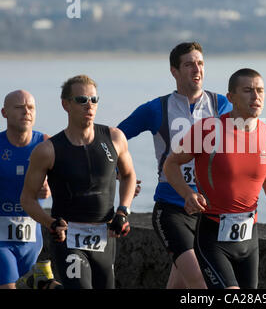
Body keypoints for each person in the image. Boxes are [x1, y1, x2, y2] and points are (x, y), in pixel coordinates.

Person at [163, 68, 266, 289]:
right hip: (212, 237)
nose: (256, 97)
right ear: (231, 97)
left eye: (260, 91)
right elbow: (171, 164)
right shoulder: (208, 130)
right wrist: (187, 194)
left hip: (249, 240)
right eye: (247, 91)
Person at [117, 42, 232, 289]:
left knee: (179, 283)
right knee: (200, 280)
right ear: (174, 71)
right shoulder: (155, 109)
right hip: (171, 209)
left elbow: (244, 147)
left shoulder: (221, 105)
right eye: (189, 64)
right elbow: (114, 138)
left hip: (208, 211)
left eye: (200, 63)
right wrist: (120, 172)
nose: (196, 69)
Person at [21, 75, 137, 289]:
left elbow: (129, 175)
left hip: (104, 235)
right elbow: (27, 199)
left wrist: (123, 211)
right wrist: (50, 223)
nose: (89, 105)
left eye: (94, 99)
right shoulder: (48, 150)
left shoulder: (114, 138)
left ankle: (46, 285)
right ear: (66, 104)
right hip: (68, 237)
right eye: (82, 100)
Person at [0, 90, 58, 289]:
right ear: (4, 113)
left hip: (31, 238)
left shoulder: (44, 143)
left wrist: (49, 188)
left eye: (31, 107)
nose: (26, 112)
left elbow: (65, 180)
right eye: (19, 107)